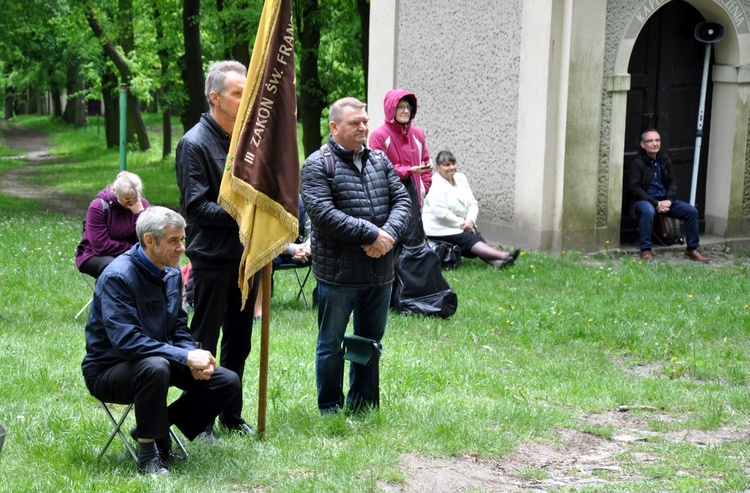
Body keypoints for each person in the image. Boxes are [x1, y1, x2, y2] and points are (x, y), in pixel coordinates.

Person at [81, 206, 241, 476]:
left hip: (158, 362)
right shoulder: (117, 276)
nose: (182, 248)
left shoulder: (171, 273)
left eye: (182, 239)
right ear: (149, 241)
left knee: (226, 381)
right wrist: (184, 357)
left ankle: (157, 425)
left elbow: (178, 326)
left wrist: (192, 355)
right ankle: (148, 458)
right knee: (155, 367)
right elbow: (127, 342)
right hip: (109, 370)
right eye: (174, 241)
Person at [300, 97, 411, 414]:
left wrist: (386, 236)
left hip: (380, 272)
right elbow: (323, 214)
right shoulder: (318, 165)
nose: (364, 127)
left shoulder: (380, 160)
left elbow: (402, 202)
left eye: (365, 121)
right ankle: (330, 406)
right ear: (334, 127)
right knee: (331, 343)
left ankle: (363, 404)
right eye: (355, 123)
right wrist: (372, 234)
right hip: (339, 275)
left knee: (369, 341)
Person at [175, 60, 259, 438]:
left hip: (248, 256)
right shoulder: (193, 143)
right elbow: (196, 208)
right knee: (204, 341)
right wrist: (247, 214)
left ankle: (230, 413)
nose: (245, 99)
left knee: (240, 340)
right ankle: (202, 417)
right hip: (211, 258)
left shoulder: (249, 141)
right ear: (215, 97)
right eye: (237, 93)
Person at [422, 150, 520, 268]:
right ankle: (504, 255)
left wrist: (471, 221)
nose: (451, 167)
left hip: (460, 225)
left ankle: (497, 263)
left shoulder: (461, 178)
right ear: (438, 168)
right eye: (447, 165)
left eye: (453, 164)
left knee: (475, 236)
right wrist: (464, 224)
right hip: (439, 227)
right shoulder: (435, 182)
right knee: (468, 238)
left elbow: (473, 203)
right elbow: (441, 213)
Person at [627, 129, 708, 262]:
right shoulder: (637, 163)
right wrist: (655, 203)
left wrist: (669, 201)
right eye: (650, 141)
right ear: (642, 144)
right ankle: (646, 250)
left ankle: (691, 249)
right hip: (643, 201)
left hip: (664, 201)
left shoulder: (664, 160)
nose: (655, 144)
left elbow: (672, 183)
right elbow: (634, 189)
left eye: (657, 140)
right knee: (648, 211)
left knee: (691, 211)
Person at [369, 89, 432, 246]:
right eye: (400, 106)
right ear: (391, 108)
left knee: (413, 244)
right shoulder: (379, 136)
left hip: (415, 197)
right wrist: (409, 171)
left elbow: (426, 164)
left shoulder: (418, 134)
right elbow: (380, 169)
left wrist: (424, 188)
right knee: (392, 243)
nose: (405, 111)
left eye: (408, 107)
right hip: (388, 198)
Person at [75, 171, 149, 279]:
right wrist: (134, 249)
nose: (131, 204)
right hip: (94, 254)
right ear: (115, 191)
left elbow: (148, 241)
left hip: (132, 254)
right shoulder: (98, 207)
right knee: (117, 269)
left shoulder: (142, 205)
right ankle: (106, 296)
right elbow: (101, 246)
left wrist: (140, 215)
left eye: (135, 198)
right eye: (127, 200)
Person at [253, 194, 312, 321]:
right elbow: (267, 238)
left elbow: (313, 233)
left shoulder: (304, 204)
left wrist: (306, 249)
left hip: (300, 251)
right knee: (262, 258)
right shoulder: (268, 203)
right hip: (274, 251)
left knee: (325, 254)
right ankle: (258, 308)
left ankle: (320, 303)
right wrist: (293, 249)